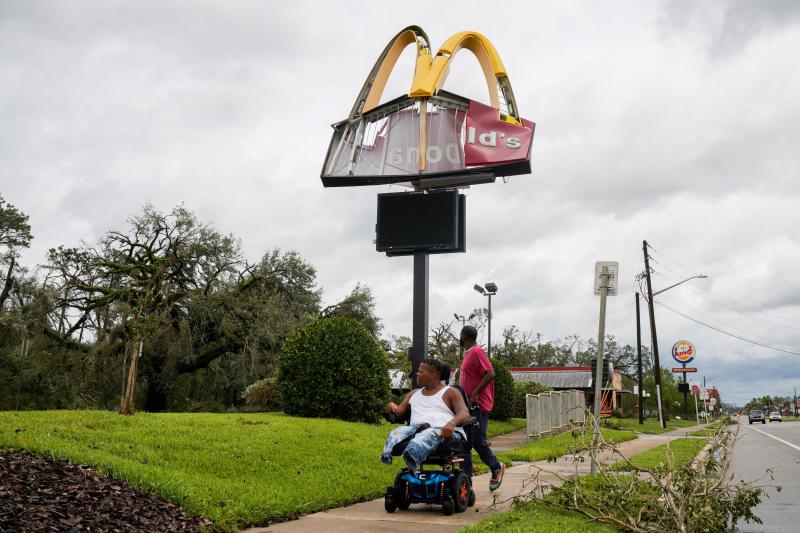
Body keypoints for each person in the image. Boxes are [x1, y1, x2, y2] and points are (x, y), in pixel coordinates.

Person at [381, 357, 471, 474]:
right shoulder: (413, 394)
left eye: (420, 372)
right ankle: (387, 455)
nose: (417, 374)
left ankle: (411, 456)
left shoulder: (451, 392)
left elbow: (465, 413)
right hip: (417, 430)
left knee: (428, 434)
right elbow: (398, 411)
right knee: (397, 432)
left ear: (432, 375)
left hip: (443, 431)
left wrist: (452, 423)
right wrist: (391, 407)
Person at [458, 325, 505, 490]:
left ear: (463, 336)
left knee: (478, 441)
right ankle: (466, 482)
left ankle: (496, 467)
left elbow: (490, 373)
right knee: (464, 444)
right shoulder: (468, 354)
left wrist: (476, 393)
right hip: (467, 406)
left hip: (479, 405)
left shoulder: (477, 352)